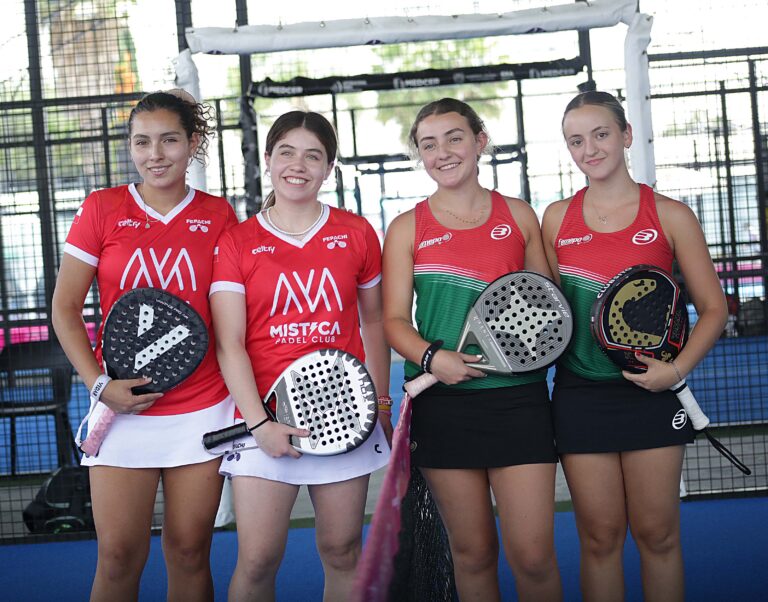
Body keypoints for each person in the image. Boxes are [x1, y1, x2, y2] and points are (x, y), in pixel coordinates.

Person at [52, 90, 238, 602]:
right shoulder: (102, 208)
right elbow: (64, 308)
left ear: (193, 144)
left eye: (169, 140)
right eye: (142, 142)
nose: (155, 154)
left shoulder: (219, 215)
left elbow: (233, 315)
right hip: (121, 410)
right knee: (117, 557)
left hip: (202, 409)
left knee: (189, 551)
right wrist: (100, 386)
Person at [541, 90, 728, 602]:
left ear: (626, 135)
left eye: (601, 134)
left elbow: (715, 308)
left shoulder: (670, 215)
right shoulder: (555, 219)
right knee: (599, 539)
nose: (590, 149)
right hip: (581, 396)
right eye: (576, 141)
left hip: (654, 393)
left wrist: (676, 370)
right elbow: (554, 314)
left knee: (657, 534)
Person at [382, 98, 562, 602]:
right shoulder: (406, 227)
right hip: (444, 408)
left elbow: (547, 307)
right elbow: (393, 321)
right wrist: (432, 358)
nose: (442, 152)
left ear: (480, 142)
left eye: (454, 138)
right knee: (473, 552)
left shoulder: (519, 216)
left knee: (533, 556)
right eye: (428, 144)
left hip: (520, 403)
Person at [209, 110, 392, 601]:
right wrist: (258, 424)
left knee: (342, 549)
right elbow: (229, 343)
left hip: (342, 414)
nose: (298, 165)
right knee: (257, 559)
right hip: (263, 419)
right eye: (286, 152)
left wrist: (378, 401)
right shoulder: (237, 241)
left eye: (313, 156)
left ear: (328, 167)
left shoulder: (356, 232)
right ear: (268, 159)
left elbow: (374, 322)